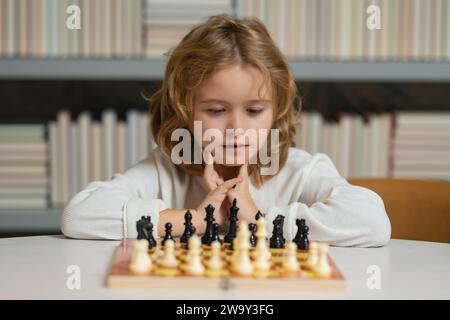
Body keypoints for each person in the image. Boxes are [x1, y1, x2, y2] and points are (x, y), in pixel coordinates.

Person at [61, 15, 391, 247]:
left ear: (277, 111)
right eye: (217, 110)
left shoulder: (300, 172)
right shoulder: (166, 170)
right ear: (183, 111)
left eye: (254, 110)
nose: (236, 129)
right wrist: (194, 218)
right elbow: (79, 216)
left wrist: (258, 219)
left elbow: (371, 222)